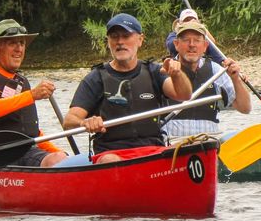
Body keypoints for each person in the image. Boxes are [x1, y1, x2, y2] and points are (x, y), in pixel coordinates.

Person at [63, 13, 192, 163]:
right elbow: (69, 121)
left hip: (154, 149)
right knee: (110, 160)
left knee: (195, 146)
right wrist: (85, 122)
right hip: (111, 153)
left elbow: (184, 95)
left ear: (140, 40)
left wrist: (177, 74)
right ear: (108, 42)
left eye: (126, 36)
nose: (120, 42)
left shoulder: (154, 71)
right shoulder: (96, 77)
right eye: (114, 37)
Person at [0, 19, 67, 168]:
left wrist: (62, 154)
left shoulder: (21, 81)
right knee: (56, 159)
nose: (19, 49)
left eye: (22, 43)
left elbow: (31, 131)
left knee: (61, 158)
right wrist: (32, 95)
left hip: (24, 151)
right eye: (12, 43)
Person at [162, 20, 252, 138]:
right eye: (186, 40)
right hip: (173, 146)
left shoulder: (216, 71)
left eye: (197, 40)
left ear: (205, 46)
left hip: (208, 144)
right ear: (176, 44)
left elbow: (245, 108)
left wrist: (236, 79)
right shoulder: (165, 70)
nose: (192, 44)